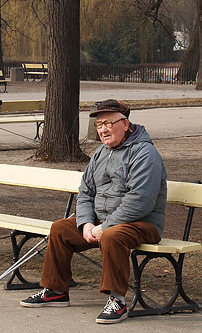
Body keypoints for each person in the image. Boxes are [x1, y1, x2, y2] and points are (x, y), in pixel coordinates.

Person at [20, 99, 167, 324]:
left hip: (142, 223)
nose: (103, 130)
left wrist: (104, 226)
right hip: (103, 221)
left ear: (125, 124)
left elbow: (140, 201)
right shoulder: (100, 153)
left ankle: (117, 300)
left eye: (108, 123)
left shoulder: (145, 153)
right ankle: (56, 291)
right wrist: (86, 223)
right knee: (60, 229)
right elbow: (85, 191)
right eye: (99, 125)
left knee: (112, 235)